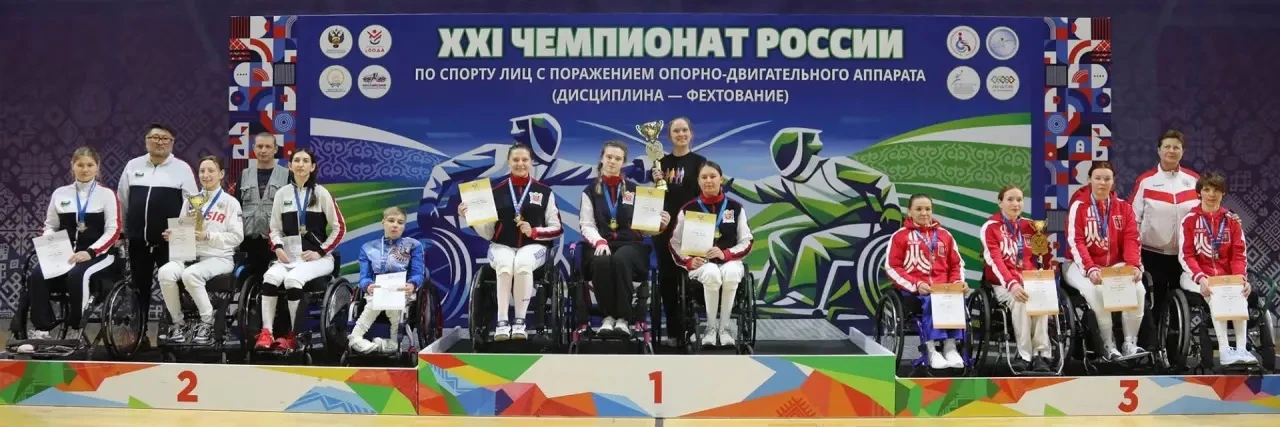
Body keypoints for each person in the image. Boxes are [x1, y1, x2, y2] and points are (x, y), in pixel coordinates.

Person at [459, 143, 562, 341]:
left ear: (532, 162)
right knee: (505, 266)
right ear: (508, 162)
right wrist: (470, 218)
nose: (520, 163)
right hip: (501, 246)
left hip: (534, 247)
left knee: (522, 264)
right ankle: (502, 322)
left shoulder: (544, 192)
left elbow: (556, 228)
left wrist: (534, 232)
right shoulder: (495, 192)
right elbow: (488, 232)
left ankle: (520, 322)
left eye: (525, 159)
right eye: (515, 159)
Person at [25, 147, 122, 341]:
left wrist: (90, 252)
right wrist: (51, 244)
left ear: (97, 167)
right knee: (37, 274)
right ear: (72, 166)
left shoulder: (106, 194)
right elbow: (50, 226)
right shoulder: (60, 193)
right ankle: (42, 328)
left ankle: (75, 327)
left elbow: (114, 230)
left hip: (99, 255)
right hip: (66, 254)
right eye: (80, 165)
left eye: (90, 165)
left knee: (78, 275)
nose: (85, 169)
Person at [255, 148, 347, 351]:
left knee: (292, 280)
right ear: (290, 166)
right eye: (296, 160)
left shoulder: (321, 193)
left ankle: (294, 335)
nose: (300, 164)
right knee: (269, 277)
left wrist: (320, 251)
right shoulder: (282, 193)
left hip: (318, 259)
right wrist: (278, 248)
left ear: (312, 167)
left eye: (305, 161)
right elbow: (274, 229)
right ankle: (267, 332)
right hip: (289, 257)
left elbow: (340, 228)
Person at [580, 141, 670, 338]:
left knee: (621, 259)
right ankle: (608, 318)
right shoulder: (590, 191)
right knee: (601, 261)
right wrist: (599, 241)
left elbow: (645, 229)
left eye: (617, 158)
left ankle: (622, 319)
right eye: (609, 157)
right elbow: (586, 224)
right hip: (602, 244)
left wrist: (660, 225)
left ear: (623, 162)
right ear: (602, 159)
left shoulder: (635, 190)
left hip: (631, 246)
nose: (612, 161)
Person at [118, 124, 198, 344]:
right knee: (138, 288)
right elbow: (123, 200)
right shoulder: (133, 166)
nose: (159, 142)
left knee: (173, 287)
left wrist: (180, 233)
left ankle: (174, 331)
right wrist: (125, 231)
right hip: (139, 241)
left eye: (165, 138)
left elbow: (193, 206)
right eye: (154, 137)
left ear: (172, 143)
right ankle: (138, 334)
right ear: (146, 140)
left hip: (171, 242)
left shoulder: (182, 169)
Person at [156, 156, 244, 345]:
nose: (206, 175)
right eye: (202, 171)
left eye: (211, 170)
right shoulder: (192, 201)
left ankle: (207, 322)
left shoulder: (230, 203)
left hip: (219, 258)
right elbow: (183, 230)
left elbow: (237, 237)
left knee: (191, 275)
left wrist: (208, 236)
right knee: (165, 273)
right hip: (189, 256)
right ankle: (178, 323)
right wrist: (174, 235)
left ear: (221, 174)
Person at [1066, 161, 1146, 359]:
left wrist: (1134, 266)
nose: (1102, 182)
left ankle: (1130, 343)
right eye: (1098, 178)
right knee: (1096, 292)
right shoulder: (1079, 206)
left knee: (1138, 289)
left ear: (1113, 181)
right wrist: (1090, 268)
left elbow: (1131, 239)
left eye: (1107, 178)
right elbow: (1076, 241)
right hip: (1079, 265)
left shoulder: (1124, 208)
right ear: (1089, 180)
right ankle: (1108, 346)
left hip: (1113, 265)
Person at [669, 161, 753, 347]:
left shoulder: (735, 207)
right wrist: (688, 261)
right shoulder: (689, 209)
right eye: (704, 177)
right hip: (701, 265)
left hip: (729, 261)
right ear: (698, 181)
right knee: (712, 272)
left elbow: (747, 240)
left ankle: (725, 329)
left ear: (721, 179)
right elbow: (675, 242)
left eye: (713, 176)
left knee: (731, 272)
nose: (708, 180)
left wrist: (726, 254)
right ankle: (710, 329)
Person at [1176, 173, 1256, 365]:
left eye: (1216, 190)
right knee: (1215, 295)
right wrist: (1201, 278)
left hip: (1225, 277)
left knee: (1240, 294)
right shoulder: (1189, 220)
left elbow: (1239, 254)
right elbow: (1186, 255)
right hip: (1194, 276)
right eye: (1207, 189)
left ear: (1223, 193)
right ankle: (1225, 350)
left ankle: (1242, 350)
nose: (1211, 194)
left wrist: (1240, 279)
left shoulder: (1232, 221)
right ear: (1199, 193)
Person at [885, 194, 966, 369]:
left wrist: (956, 283)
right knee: (931, 300)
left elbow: (956, 264)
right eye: (919, 209)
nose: (924, 213)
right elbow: (892, 267)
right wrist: (916, 284)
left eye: (927, 209)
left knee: (956, 298)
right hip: (914, 292)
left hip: (942, 289)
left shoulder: (944, 235)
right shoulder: (900, 236)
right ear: (909, 212)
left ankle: (950, 348)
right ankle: (931, 350)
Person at [980, 185, 1051, 371]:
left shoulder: (1030, 226)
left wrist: (1042, 276)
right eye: (1010, 199)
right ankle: (1024, 354)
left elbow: (1042, 256)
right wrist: (1012, 284)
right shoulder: (991, 227)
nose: (1015, 204)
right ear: (1000, 203)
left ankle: (1041, 354)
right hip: (1003, 284)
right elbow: (995, 261)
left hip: (1029, 280)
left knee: (1043, 300)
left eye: (1019, 200)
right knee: (1020, 301)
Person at [1132, 130, 1199, 323]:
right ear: (1159, 150)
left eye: (1176, 147)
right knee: (1156, 303)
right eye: (1167, 146)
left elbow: (1208, 212)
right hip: (1153, 254)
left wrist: (1229, 218)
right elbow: (1133, 219)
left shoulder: (1194, 180)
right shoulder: (1146, 181)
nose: (1171, 150)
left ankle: (1177, 339)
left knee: (1183, 306)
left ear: (1183, 151)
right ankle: (1154, 340)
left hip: (1186, 255)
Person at [651, 117, 707, 346]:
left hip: (693, 228)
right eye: (676, 131)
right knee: (667, 281)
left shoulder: (700, 162)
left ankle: (692, 329)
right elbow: (656, 198)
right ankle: (674, 333)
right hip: (665, 229)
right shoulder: (660, 163)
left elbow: (704, 195)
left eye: (685, 130)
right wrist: (655, 181)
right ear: (669, 136)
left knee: (693, 279)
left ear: (691, 133)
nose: (681, 134)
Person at [349, 207, 424, 354]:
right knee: (374, 302)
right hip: (377, 291)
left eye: (400, 222)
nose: (395, 225)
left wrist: (412, 284)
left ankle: (394, 343)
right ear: (383, 222)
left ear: (404, 226)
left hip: (402, 290)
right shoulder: (368, 248)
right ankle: (355, 338)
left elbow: (418, 273)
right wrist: (368, 286)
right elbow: (364, 277)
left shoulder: (414, 245)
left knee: (394, 305)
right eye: (391, 221)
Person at [238, 133, 290, 275]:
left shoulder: (287, 175)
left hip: (276, 243)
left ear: (275, 149)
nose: (263, 150)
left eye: (268, 146)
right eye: (260, 146)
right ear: (253, 148)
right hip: (249, 242)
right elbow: (237, 207)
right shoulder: (244, 174)